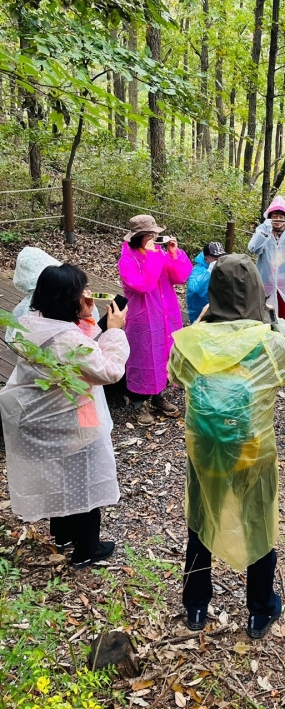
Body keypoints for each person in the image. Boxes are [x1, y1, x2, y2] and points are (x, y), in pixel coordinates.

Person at [168, 254, 285, 638]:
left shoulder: (190, 343)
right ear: (256, 291)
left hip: (204, 448)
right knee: (257, 522)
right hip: (252, 449)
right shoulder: (268, 345)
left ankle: (196, 606)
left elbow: (173, 371)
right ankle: (259, 610)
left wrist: (197, 323)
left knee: (200, 520)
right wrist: (278, 322)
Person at [0, 264, 129, 568]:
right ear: (67, 298)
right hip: (73, 415)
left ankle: (63, 536)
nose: (87, 293)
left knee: (57, 474)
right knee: (83, 481)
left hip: (41, 416)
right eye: (81, 291)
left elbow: (78, 350)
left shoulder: (28, 323)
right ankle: (87, 549)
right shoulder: (67, 340)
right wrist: (114, 331)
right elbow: (108, 370)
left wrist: (84, 319)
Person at [118, 214, 192, 426]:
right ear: (138, 237)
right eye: (150, 235)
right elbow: (143, 285)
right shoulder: (128, 260)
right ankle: (138, 403)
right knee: (142, 356)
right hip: (143, 317)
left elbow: (180, 277)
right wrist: (152, 257)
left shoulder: (158, 254)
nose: (154, 239)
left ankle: (158, 396)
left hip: (165, 314)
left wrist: (174, 254)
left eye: (155, 235)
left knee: (163, 354)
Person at [247, 195, 285, 323]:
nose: (278, 220)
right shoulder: (263, 231)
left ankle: (282, 337)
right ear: (269, 218)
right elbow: (254, 249)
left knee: (283, 315)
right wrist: (264, 232)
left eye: (281, 217)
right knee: (264, 314)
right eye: (274, 217)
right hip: (265, 280)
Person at [186, 241, 227, 323]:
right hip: (199, 312)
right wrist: (209, 272)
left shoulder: (223, 268)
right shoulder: (198, 270)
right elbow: (195, 289)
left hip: (217, 311)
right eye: (215, 258)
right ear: (206, 259)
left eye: (221, 257)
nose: (219, 260)